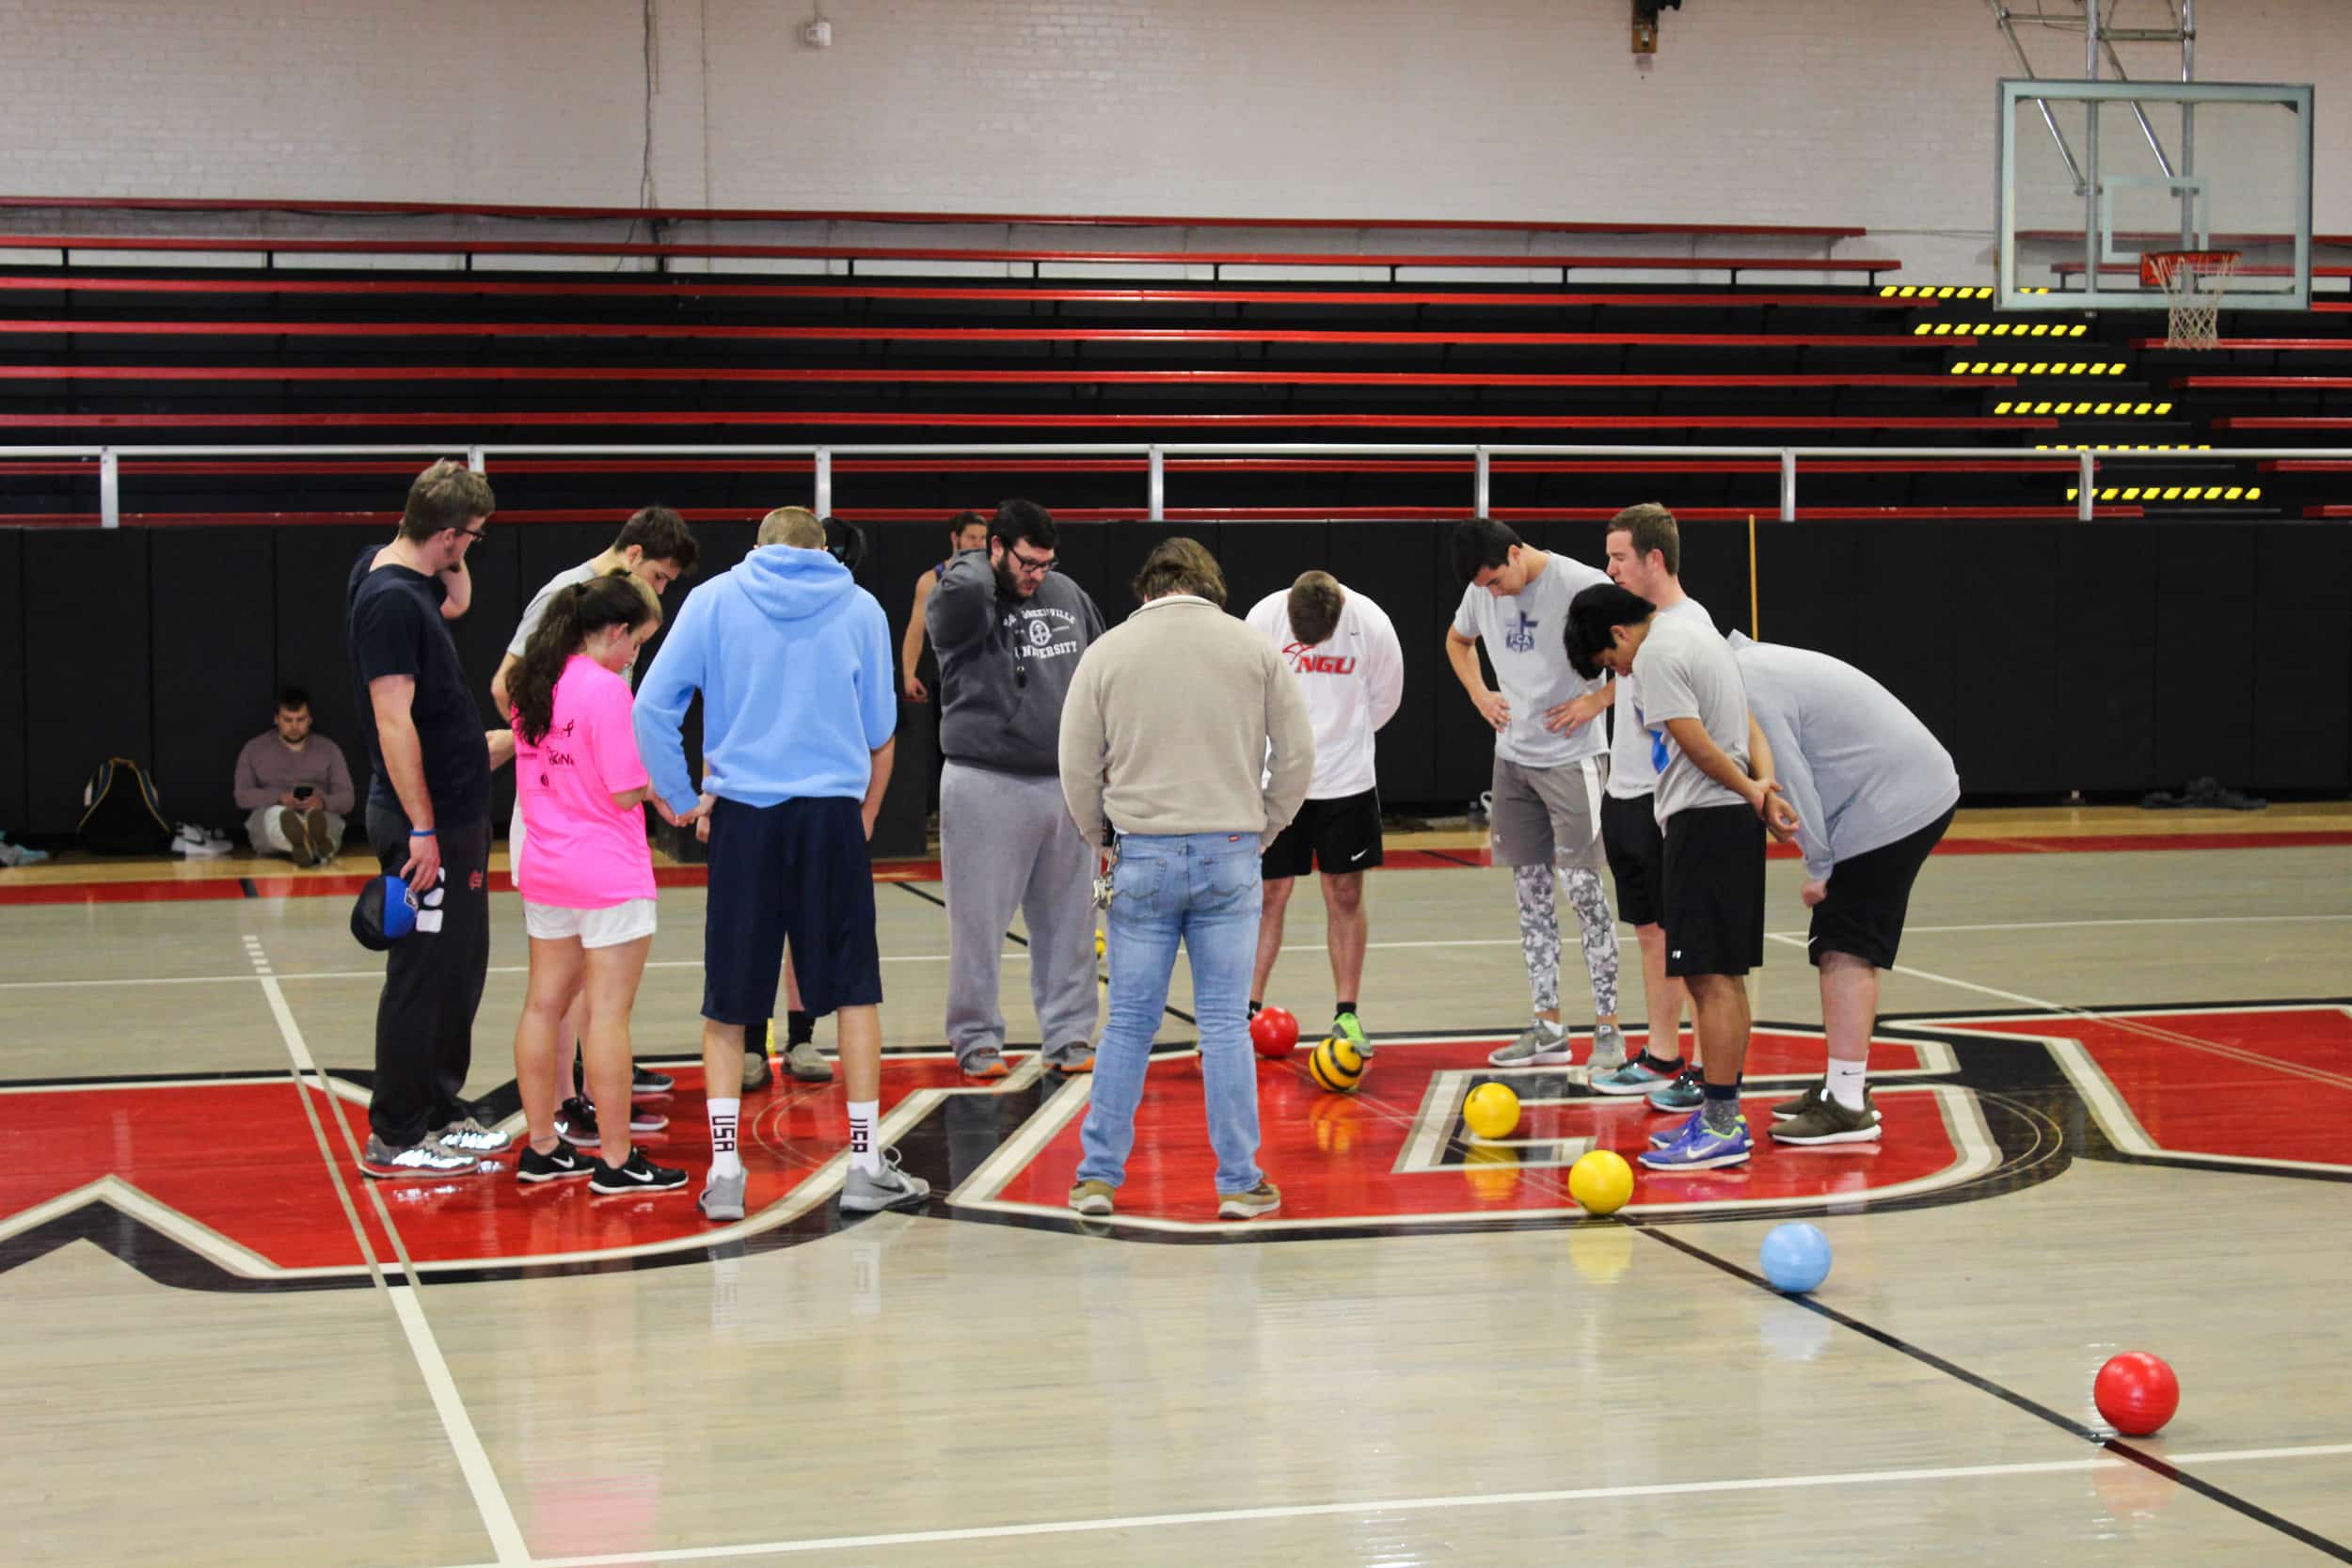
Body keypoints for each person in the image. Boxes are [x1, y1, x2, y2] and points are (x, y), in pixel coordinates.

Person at [634, 505, 924, 1223]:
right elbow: (881, 731)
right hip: (829, 814)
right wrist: (861, 814)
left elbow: (650, 709)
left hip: (744, 818)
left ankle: (726, 1168)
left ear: (758, 547)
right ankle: (862, 1160)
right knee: (855, 989)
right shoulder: (860, 607)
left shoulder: (712, 600)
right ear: (824, 550)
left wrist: (679, 799)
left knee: (729, 998)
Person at [1058, 537, 1313, 1222]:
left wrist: (1099, 836)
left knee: (1129, 1025)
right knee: (1226, 1024)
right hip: (1231, 849)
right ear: (1210, 587)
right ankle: (1238, 1182)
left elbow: (1077, 763)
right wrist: (1266, 826)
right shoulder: (1254, 648)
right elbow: (1297, 753)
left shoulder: (1106, 652)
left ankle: (1096, 1178)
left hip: (1140, 852)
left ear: (1147, 589)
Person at [1565, 582, 1798, 1172]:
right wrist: (1761, 787)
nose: (1619, 673)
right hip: (1726, 818)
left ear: (1619, 634)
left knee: (1709, 979)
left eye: (1610, 663)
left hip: (1704, 821)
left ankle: (1721, 1124)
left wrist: (1750, 790)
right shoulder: (1694, 633)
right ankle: (1723, 1109)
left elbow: (1693, 743)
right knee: (1722, 977)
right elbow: (1748, 724)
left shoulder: (1659, 655)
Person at [491, 506, 706, 1113]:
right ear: (633, 557)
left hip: (590, 802)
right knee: (568, 984)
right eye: (661, 578)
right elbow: (509, 685)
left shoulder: (610, 639)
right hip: (567, 803)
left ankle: (595, 1083)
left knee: (583, 981)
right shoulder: (568, 595)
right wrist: (553, 737)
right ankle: (570, 1101)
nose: (661, 592)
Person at [345, 458, 515, 1178]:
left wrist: (451, 548)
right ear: (445, 534)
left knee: (459, 967)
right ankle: (396, 1132)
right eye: (470, 538)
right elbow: (393, 722)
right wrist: (421, 828)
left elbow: (459, 604)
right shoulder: (388, 600)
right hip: (428, 822)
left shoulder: (404, 578)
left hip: (456, 813)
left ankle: (440, 1106)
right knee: (420, 975)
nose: (471, 549)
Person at [1728, 633, 1959, 1147]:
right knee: (1838, 939)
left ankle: (1849, 1104)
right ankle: (1840, 1088)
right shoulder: (1747, 665)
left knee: (1845, 942)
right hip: (1890, 791)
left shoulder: (1749, 685)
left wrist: (1820, 867)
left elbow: (1788, 782)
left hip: (1895, 801)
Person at [506, 573, 685, 1194]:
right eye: (636, 641)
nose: (636, 654)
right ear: (614, 632)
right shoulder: (606, 692)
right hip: (607, 869)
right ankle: (614, 1158)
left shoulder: (535, 682)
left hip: (546, 864)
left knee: (542, 1005)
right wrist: (667, 793)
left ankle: (542, 1146)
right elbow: (623, 785)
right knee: (607, 1013)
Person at [929, 499, 1107, 1079]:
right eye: (1026, 563)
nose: (1036, 576)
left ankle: (1070, 1036)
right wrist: (983, 563)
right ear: (996, 550)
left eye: (1046, 565)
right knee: (977, 925)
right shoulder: (965, 594)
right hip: (986, 780)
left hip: (1063, 781)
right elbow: (955, 598)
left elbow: (1101, 667)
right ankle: (976, 1039)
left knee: (1071, 924)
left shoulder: (1067, 594)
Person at [1444, 518, 1627, 1073]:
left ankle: (1609, 1029)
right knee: (1530, 895)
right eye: (1485, 588)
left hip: (1572, 760)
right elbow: (1458, 640)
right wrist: (1480, 694)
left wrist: (1596, 703)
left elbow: (1646, 653)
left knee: (1585, 892)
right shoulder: (1480, 590)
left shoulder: (1581, 585)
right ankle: (1548, 1025)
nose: (1493, 594)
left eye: (1498, 581)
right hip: (1513, 760)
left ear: (1517, 553)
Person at [1244, 570, 1403, 1056]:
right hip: (1279, 784)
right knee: (1269, 893)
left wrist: (1339, 747)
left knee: (1346, 894)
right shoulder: (1263, 619)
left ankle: (1347, 1015)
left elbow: (1385, 700)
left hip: (1347, 783)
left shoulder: (1371, 623)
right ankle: (1243, 1011)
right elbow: (1248, 698)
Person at [1589, 504, 1708, 1109]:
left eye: (1618, 557)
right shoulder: (1630, 621)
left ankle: (1710, 1072)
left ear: (1653, 559)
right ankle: (1662, 1052)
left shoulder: (1689, 626)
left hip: (1673, 803)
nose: (1609, 568)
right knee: (1651, 932)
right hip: (1625, 794)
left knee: (1695, 940)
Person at [232, 687, 357, 866]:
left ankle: (307, 842)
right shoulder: (254, 749)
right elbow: (242, 796)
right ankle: (313, 845)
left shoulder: (329, 749)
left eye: (300, 719)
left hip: (319, 813)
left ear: (310, 719)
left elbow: (347, 798)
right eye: (288, 720)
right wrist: (279, 798)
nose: (294, 726)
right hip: (273, 812)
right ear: (276, 719)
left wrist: (322, 802)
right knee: (276, 817)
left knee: (324, 821)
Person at [899, 511, 991, 703]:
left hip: (986, 678)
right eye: (972, 538)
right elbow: (916, 630)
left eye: (983, 538)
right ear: (955, 538)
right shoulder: (931, 581)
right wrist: (909, 675)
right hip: (946, 678)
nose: (978, 544)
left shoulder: (995, 577)